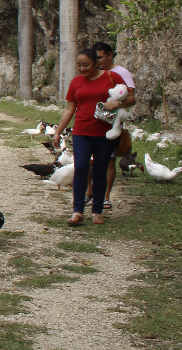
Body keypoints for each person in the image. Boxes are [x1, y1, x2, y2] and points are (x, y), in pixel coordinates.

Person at [52, 48, 126, 225]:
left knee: (100, 171)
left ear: (96, 62)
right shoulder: (76, 82)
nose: (82, 69)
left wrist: (116, 102)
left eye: (86, 65)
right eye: (79, 65)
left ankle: (97, 211)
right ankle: (77, 211)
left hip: (105, 134)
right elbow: (70, 109)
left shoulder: (111, 78)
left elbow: (130, 98)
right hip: (81, 132)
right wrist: (58, 131)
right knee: (81, 169)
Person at [89, 41, 137, 210]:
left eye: (100, 57)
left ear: (110, 55)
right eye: (96, 57)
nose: (98, 61)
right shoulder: (93, 71)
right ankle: (90, 192)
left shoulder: (121, 73)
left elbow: (131, 98)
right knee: (89, 160)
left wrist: (118, 104)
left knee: (109, 161)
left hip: (111, 125)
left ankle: (105, 197)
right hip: (92, 122)